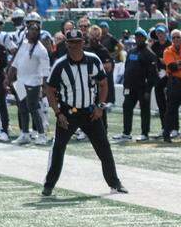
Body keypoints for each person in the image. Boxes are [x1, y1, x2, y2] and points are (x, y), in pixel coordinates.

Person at [41, 30, 126, 196]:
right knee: (58, 149)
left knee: (104, 148)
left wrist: (100, 106)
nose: (74, 46)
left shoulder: (93, 60)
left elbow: (103, 84)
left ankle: (115, 183)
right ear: (67, 44)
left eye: (77, 42)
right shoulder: (60, 65)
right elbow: (49, 90)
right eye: (71, 42)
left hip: (90, 112)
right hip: (68, 113)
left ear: (83, 43)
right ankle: (49, 185)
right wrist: (58, 113)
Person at [8, 15, 52, 145]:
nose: (31, 32)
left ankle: (42, 135)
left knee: (33, 107)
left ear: (38, 33)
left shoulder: (41, 50)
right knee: (22, 107)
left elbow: (45, 70)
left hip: (33, 82)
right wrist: (9, 77)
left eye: (34, 30)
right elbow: (16, 62)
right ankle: (25, 134)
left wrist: (44, 86)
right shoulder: (24, 44)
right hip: (20, 81)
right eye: (30, 30)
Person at [115, 28, 161, 142]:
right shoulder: (132, 51)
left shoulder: (150, 54)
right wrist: (125, 85)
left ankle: (144, 133)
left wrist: (148, 90)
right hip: (130, 87)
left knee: (144, 110)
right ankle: (126, 133)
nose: (138, 38)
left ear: (145, 38)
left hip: (143, 88)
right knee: (127, 107)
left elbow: (153, 74)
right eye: (137, 36)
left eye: (140, 36)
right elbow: (127, 68)